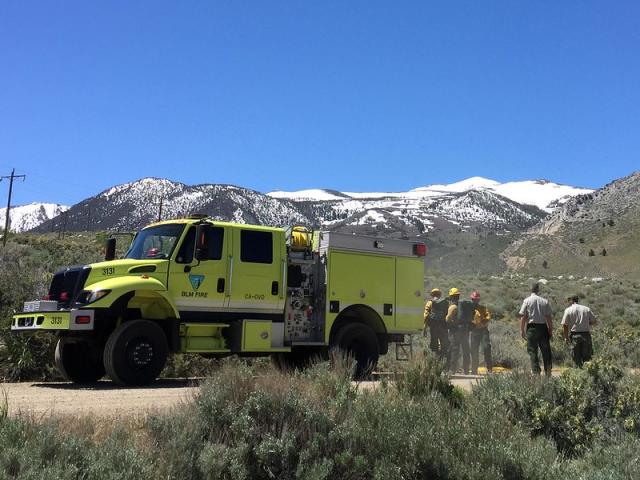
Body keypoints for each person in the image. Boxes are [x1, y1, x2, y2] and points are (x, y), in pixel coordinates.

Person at [519, 283, 553, 376]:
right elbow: (548, 317)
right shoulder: (544, 301)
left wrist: (521, 330)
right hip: (543, 327)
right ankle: (548, 371)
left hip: (531, 328)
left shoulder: (527, 301)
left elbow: (523, 316)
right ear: (538, 290)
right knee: (546, 350)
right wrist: (550, 329)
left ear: (530, 290)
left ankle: (536, 372)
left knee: (532, 350)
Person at [561, 295, 597, 368]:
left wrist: (566, 337)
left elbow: (565, 325)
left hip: (574, 336)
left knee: (576, 357)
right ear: (577, 300)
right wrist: (587, 323)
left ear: (571, 301)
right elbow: (594, 321)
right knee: (587, 358)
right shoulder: (586, 309)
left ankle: (578, 373)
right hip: (586, 335)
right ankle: (587, 373)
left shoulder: (568, 310)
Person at [446, 287, 471, 374]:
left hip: (456, 331)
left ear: (451, 297)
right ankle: (466, 370)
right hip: (465, 330)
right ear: (458, 296)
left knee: (454, 350)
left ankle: (452, 370)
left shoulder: (453, 306)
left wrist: (452, 323)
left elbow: (447, 319)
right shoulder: (463, 306)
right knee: (466, 350)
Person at [469, 290, 492, 375]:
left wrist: (485, 319)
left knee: (486, 348)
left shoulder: (482, 308)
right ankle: (474, 370)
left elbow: (488, 315)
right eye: (473, 299)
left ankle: (489, 369)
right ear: (471, 299)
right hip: (474, 331)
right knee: (474, 350)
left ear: (478, 300)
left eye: (476, 299)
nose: (475, 301)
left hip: (483, 331)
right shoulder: (469, 309)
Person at [423, 288, 450, 361]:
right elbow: (448, 315)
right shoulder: (445, 303)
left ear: (432, 295)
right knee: (444, 345)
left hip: (434, 327)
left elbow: (426, 316)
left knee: (434, 345)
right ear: (439, 295)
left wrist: (425, 328)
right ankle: (444, 363)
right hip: (443, 327)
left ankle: (435, 362)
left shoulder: (430, 303)